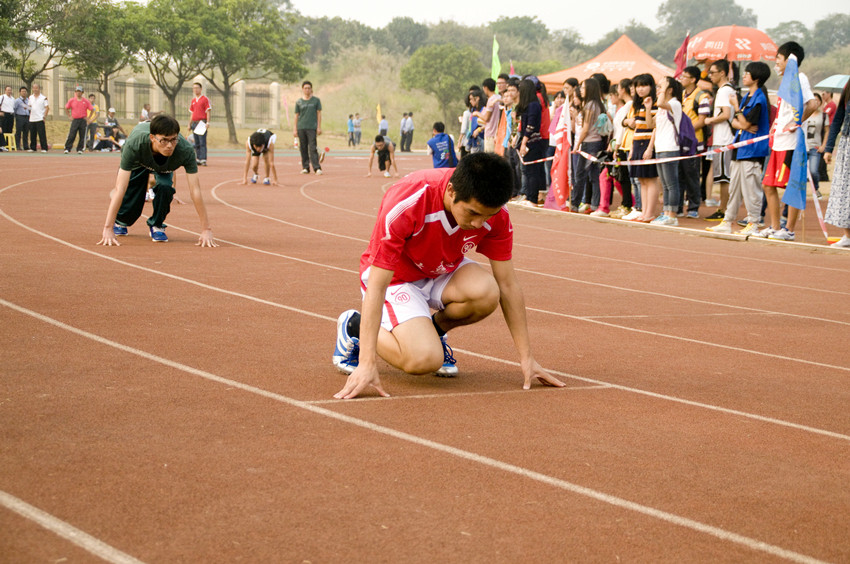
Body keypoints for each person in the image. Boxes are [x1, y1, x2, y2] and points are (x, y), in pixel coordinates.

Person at [332, 152, 565, 398]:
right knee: (423, 360)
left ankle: (432, 332)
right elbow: (377, 285)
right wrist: (367, 362)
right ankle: (354, 326)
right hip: (395, 278)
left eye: (488, 216)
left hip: (441, 269)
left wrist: (527, 358)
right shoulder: (408, 201)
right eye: (473, 213)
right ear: (452, 191)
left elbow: (507, 284)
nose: (479, 224)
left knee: (487, 293)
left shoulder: (495, 215)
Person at [97, 114, 216, 247]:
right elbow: (120, 188)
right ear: (152, 138)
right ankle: (121, 221)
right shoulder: (134, 145)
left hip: (163, 166)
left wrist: (206, 229)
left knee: (166, 188)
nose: (170, 145)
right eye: (164, 140)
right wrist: (108, 227)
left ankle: (157, 225)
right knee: (133, 195)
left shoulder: (185, 150)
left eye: (173, 139)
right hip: (140, 159)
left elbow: (195, 190)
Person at [758, 41, 819, 241]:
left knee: (791, 185)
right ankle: (776, 227)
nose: (776, 63)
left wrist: (797, 122)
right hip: (778, 142)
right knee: (768, 185)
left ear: (789, 60)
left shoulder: (799, 78)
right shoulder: (785, 82)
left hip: (791, 143)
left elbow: (812, 103)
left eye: (779, 59)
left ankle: (789, 230)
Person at [708, 61, 772, 235]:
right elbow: (737, 123)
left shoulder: (759, 99)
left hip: (752, 150)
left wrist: (737, 110)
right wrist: (741, 121)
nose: (743, 76)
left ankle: (754, 222)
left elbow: (742, 121)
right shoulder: (746, 97)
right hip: (739, 148)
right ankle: (727, 220)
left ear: (756, 77)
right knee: (734, 187)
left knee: (751, 189)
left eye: (747, 73)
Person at [703, 60, 737, 220]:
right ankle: (724, 208)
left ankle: (724, 210)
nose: (710, 76)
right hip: (722, 138)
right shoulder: (725, 90)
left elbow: (725, 114)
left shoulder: (724, 91)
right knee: (722, 177)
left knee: (724, 178)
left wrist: (710, 120)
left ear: (722, 73)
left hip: (725, 139)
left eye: (712, 72)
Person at [650, 76, 684, 226]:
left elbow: (661, 102)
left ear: (670, 90)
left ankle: (672, 215)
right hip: (660, 147)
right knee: (664, 183)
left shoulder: (675, 104)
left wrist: (663, 90)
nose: (658, 89)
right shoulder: (662, 107)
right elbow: (651, 124)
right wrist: (646, 108)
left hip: (671, 147)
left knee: (671, 183)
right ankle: (665, 213)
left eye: (662, 87)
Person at [679, 66, 711, 218]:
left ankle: (693, 207)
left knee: (691, 175)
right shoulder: (681, 95)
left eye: (685, 76)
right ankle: (677, 207)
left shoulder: (701, 97)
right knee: (678, 175)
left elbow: (702, 121)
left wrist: (686, 130)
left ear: (693, 79)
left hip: (693, 142)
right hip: (679, 141)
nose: (681, 78)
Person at [628, 74, 660, 222]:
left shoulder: (655, 103)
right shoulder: (638, 104)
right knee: (641, 179)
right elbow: (637, 129)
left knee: (650, 179)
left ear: (651, 86)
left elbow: (652, 127)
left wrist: (650, 148)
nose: (640, 89)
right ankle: (644, 212)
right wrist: (632, 149)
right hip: (637, 143)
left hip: (648, 143)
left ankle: (650, 213)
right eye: (638, 86)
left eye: (644, 85)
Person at [823, 79, 850, 247]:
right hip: (847, 143)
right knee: (845, 188)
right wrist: (829, 147)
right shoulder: (848, 85)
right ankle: (847, 236)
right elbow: (839, 117)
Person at [294, 80, 322, 175]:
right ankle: (305, 167)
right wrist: (295, 129)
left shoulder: (316, 101)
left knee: (313, 147)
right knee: (303, 148)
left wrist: (318, 127)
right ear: (302, 89)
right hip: (301, 127)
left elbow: (319, 114)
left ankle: (316, 167)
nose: (307, 90)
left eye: (309, 88)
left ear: (311, 89)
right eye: (305, 88)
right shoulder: (299, 102)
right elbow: (296, 115)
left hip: (311, 127)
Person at [805, 93, 829, 198]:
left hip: (815, 148)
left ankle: (816, 189)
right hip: (804, 147)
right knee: (800, 173)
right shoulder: (804, 114)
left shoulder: (823, 116)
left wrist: (823, 146)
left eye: (817, 100)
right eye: (813, 100)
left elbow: (827, 131)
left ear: (820, 102)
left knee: (813, 171)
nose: (815, 102)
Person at [64, 85, 93, 154]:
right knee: (72, 134)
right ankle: (67, 148)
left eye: (80, 92)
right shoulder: (72, 100)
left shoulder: (85, 101)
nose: (78, 93)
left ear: (82, 92)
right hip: (75, 120)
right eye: (77, 91)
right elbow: (66, 108)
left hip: (82, 120)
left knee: (82, 135)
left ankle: (80, 148)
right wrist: (69, 116)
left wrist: (88, 118)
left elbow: (92, 109)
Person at [476, 78, 501, 153]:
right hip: (498, 133)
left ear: (485, 88)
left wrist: (477, 114)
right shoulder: (499, 98)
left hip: (490, 133)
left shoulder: (491, 100)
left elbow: (486, 118)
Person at [188, 82, 211, 166]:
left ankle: (203, 159)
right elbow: (192, 113)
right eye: (194, 88)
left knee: (202, 142)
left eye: (197, 88)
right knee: (196, 142)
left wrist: (207, 122)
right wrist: (189, 124)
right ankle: (198, 158)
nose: (195, 90)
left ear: (201, 89)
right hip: (194, 123)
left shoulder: (205, 99)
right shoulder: (193, 100)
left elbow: (208, 111)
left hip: (202, 122)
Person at [27, 83, 49, 152]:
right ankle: (33, 147)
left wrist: (44, 116)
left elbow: (47, 107)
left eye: (36, 88)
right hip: (32, 118)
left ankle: (44, 148)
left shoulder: (43, 98)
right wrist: (26, 107)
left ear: (39, 89)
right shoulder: (30, 97)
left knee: (42, 134)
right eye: (34, 88)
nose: (35, 89)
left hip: (40, 118)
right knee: (32, 134)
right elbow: (29, 106)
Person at [13, 86, 30, 151]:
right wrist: (16, 117)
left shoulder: (28, 100)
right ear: (20, 92)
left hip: (27, 117)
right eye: (22, 91)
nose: (24, 93)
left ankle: (26, 146)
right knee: (18, 132)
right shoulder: (17, 101)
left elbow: (30, 108)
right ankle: (17, 145)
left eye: (25, 91)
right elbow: (14, 109)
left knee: (26, 132)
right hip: (20, 117)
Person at [0, 85, 14, 150]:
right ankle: (2, 145)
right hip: (4, 115)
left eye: (10, 90)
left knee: (9, 130)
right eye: (8, 90)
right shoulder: (2, 97)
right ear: (5, 90)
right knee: (3, 129)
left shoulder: (13, 99)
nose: (9, 91)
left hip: (11, 115)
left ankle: (8, 145)